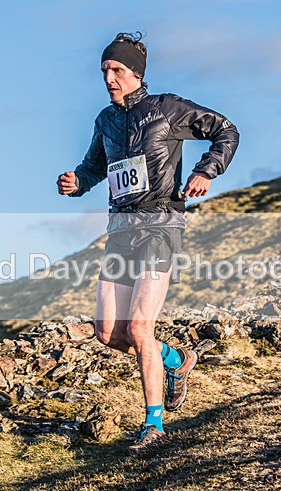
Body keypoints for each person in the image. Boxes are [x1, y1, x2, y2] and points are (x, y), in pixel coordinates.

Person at [57, 31, 239, 455]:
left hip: (160, 224)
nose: (109, 78)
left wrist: (206, 171)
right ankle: (177, 359)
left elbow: (226, 131)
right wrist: (76, 181)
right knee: (108, 333)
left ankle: (152, 426)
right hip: (121, 230)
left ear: (136, 73)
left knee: (140, 328)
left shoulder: (166, 109)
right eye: (104, 70)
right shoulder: (105, 120)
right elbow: (94, 166)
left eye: (117, 70)